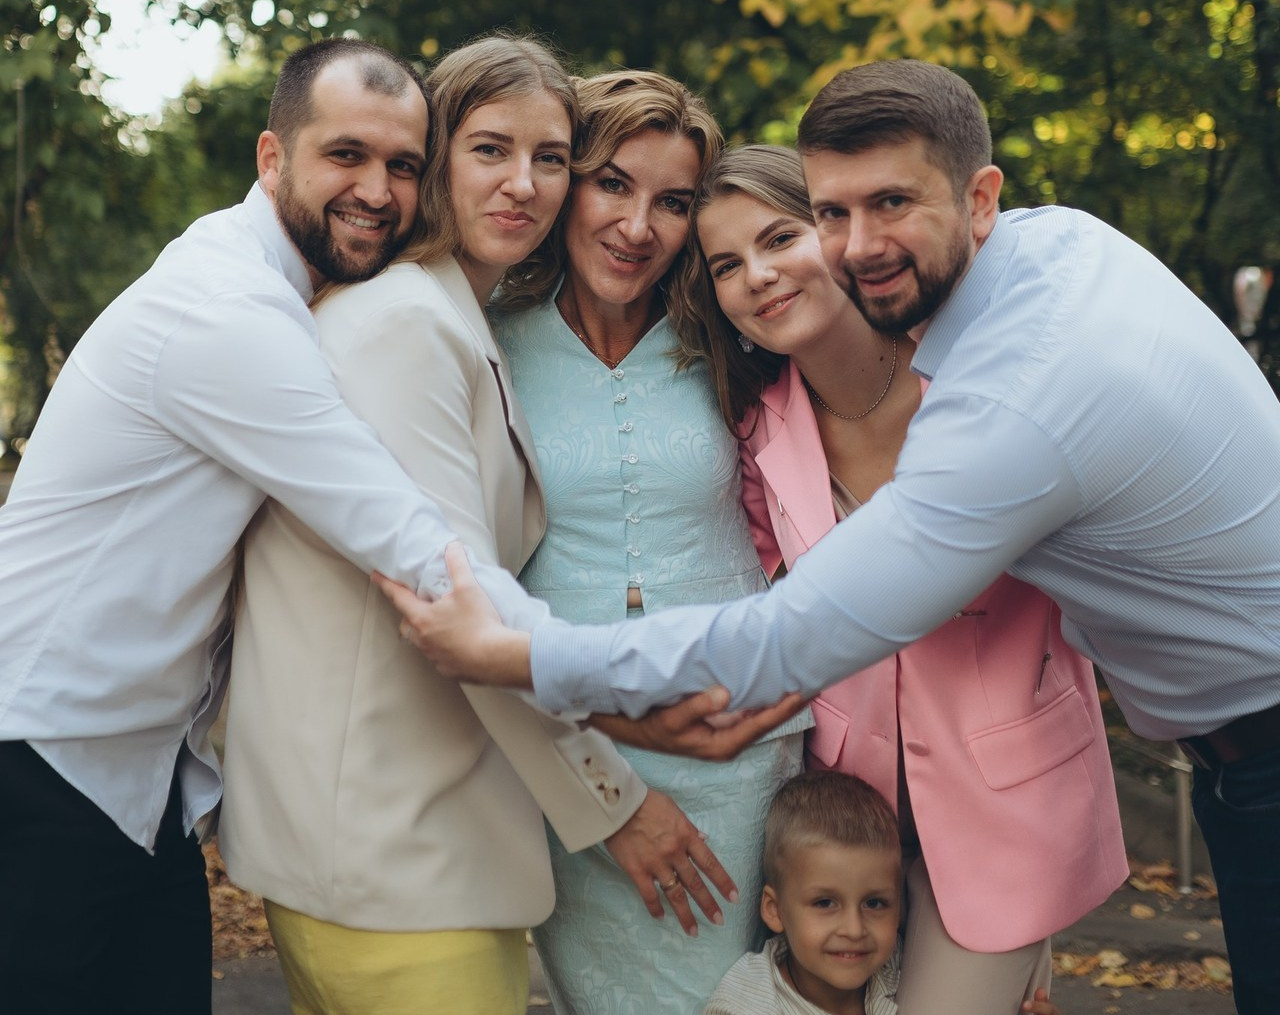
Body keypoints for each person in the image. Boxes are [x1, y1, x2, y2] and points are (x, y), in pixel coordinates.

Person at [385, 58, 1280, 1015]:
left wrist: (520, 652)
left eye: (883, 205)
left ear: (981, 200)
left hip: (1030, 806)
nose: (854, 245)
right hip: (853, 818)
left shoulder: (994, 408)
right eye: (834, 213)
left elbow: (800, 631)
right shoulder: (1044, 258)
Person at [0, 37, 610, 1015]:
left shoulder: (286, 292)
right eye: (345, 155)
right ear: (272, 157)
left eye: (402, 165)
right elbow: (414, 542)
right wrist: (638, 681)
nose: (376, 189)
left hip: (134, 780)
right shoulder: (229, 316)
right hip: (38, 760)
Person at [221, 36, 736, 1015]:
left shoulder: (450, 316)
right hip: (393, 859)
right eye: (490, 149)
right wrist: (613, 800)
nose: (524, 184)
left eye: (550, 158)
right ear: (435, 152)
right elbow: (456, 606)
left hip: (406, 856)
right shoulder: (407, 324)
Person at [669, 143, 1125, 1014]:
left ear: (838, 236)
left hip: (1007, 807)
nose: (758, 276)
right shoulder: (755, 434)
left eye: (779, 238)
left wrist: (1039, 920)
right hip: (851, 824)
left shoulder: (973, 381)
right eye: (727, 265)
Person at [489, 71, 809, 1012]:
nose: (639, 225)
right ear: (566, 184)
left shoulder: (730, 339)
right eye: (613, 184)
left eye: (673, 202)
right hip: (577, 749)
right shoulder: (484, 343)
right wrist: (596, 790)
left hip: (747, 749)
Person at [704, 771, 902, 1015]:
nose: (854, 929)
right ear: (774, 910)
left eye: (874, 903)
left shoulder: (901, 969)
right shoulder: (748, 1007)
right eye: (825, 903)